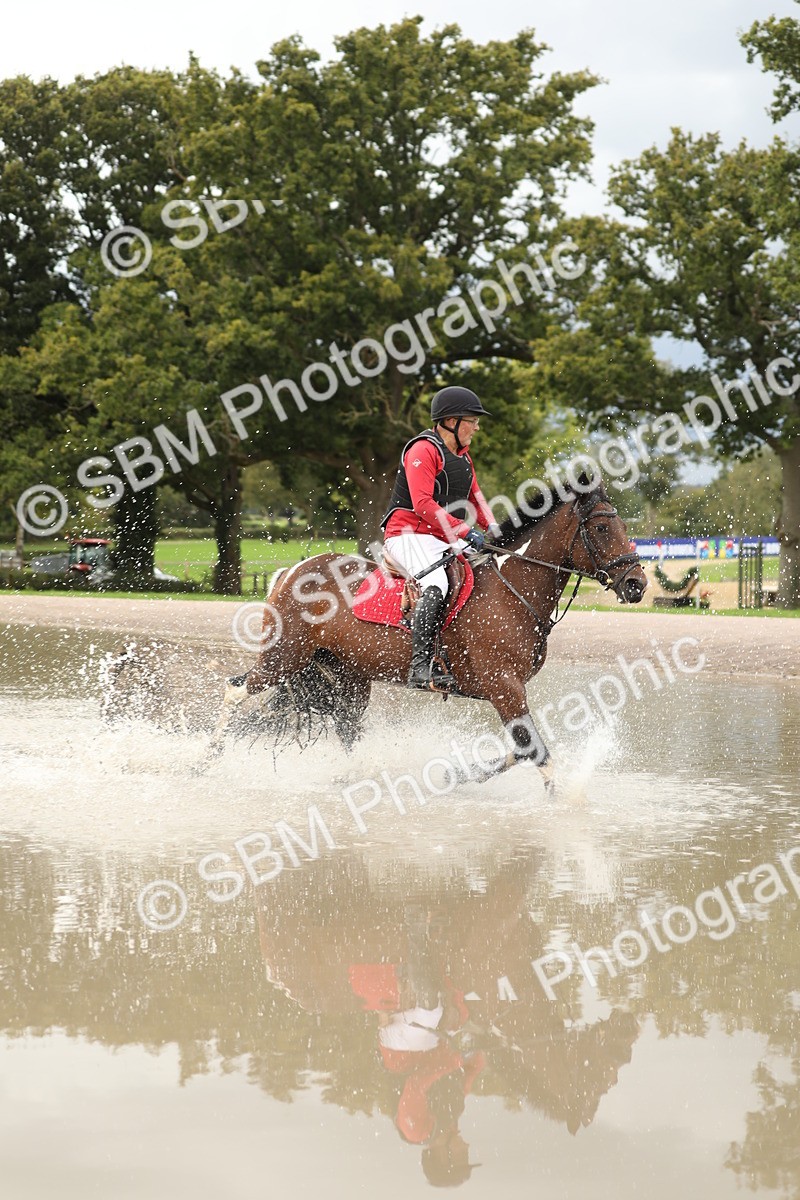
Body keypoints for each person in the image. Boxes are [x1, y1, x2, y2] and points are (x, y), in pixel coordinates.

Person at [381, 385, 498, 690]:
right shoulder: (423, 450)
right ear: (451, 421)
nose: (477, 427)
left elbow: (475, 498)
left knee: (485, 568)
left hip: (441, 536)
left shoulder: (462, 456)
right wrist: (465, 530)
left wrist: (496, 529)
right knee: (437, 583)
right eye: (472, 420)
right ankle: (420, 667)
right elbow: (422, 504)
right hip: (407, 534)